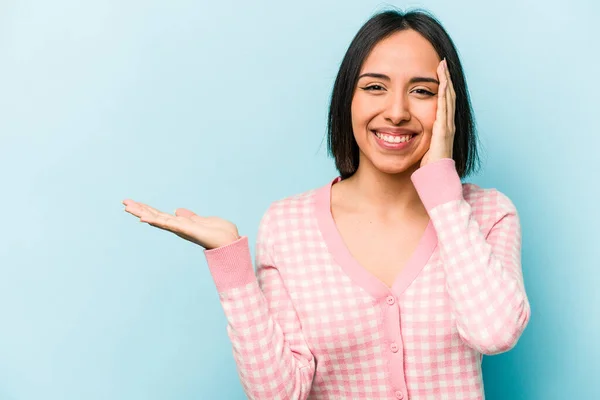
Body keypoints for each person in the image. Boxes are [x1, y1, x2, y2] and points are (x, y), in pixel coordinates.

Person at [123, 8, 530, 400]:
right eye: (374, 87)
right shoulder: (287, 226)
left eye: (422, 91)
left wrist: (442, 186)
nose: (397, 111)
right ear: (347, 99)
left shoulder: (489, 215)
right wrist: (231, 267)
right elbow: (279, 393)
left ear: (451, 107)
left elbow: (493, 333)